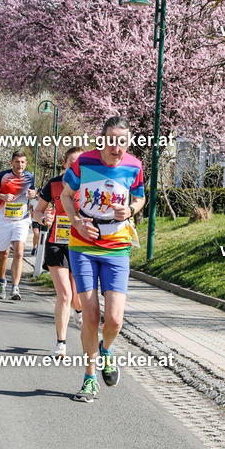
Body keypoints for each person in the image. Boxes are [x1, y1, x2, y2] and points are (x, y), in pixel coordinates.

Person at [60, 117, 145, 402]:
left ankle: (106, 349)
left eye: (122, 141)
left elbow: (140, 197)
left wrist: (131, 210)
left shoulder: (134, 166)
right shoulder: (83, 162)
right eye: (111, 140)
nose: (116, 147)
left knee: (115, 320)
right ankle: (89, 377)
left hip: (117, 247)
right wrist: (76, 221)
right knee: (92, 315)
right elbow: (66, 195)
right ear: (102, 140)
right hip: (82, 245)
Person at [33, 147, 83, 358]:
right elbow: (37, 210)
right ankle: (61, 342)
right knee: (64, 294)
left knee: (76, 298)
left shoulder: (89, 185)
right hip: (57, 243)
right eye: (72, 163)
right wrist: (44, 219)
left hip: (81, 244)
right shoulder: (53, 184)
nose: (75, 166)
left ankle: (79, 311)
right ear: (64, 163)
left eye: (79, 163)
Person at [0, 149, 37, 301]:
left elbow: (32, 193)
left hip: (21, 219)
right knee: (4, 253)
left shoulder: (30, 177)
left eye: (22, 162)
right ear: (12, 162)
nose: (20, 165)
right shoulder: (3, 176)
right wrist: (1, 195)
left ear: (26, 163)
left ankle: (15, 288)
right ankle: (2, 281)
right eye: (17, 162)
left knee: (19, 252)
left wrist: (33, 194)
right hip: (3, 219)